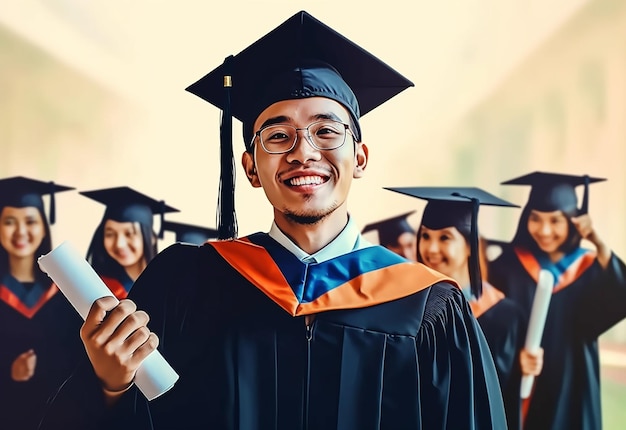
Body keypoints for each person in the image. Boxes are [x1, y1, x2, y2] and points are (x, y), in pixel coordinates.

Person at [39, 11, 507, 429]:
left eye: (326, 131)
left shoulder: (428, 307)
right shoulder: (185, 284)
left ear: (359, 157)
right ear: (250, 169)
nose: (304, 152)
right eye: (278, 135)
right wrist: (107, 386)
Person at [385, 186, 544, 430]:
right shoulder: (407, 308)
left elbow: (510, 399)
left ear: (470, 244)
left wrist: (527, 368)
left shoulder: (505, 316)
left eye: (445, 238)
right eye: (425, 236)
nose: (432, 249)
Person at [487, 171, 626, 430]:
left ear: (574, 222)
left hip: (573, 388)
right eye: (535, 219)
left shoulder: (591, 268)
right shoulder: (507, 267)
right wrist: (512, 358)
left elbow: (620, 294)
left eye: (556, 221)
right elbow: (489, 330)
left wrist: (596, 240)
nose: (545, 230)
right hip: (523, 390)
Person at [0, 176, 84, 430]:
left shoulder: (68, 289)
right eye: (9, 222)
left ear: (44, 227)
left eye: (30, 221)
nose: (21, 232)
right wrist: (8, 373)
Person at [80, 186, 179, 299]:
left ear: (152, 237)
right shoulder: (99, 290)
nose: (119, 244)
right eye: (110, 234)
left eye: (129, 234)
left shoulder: (168, 287)